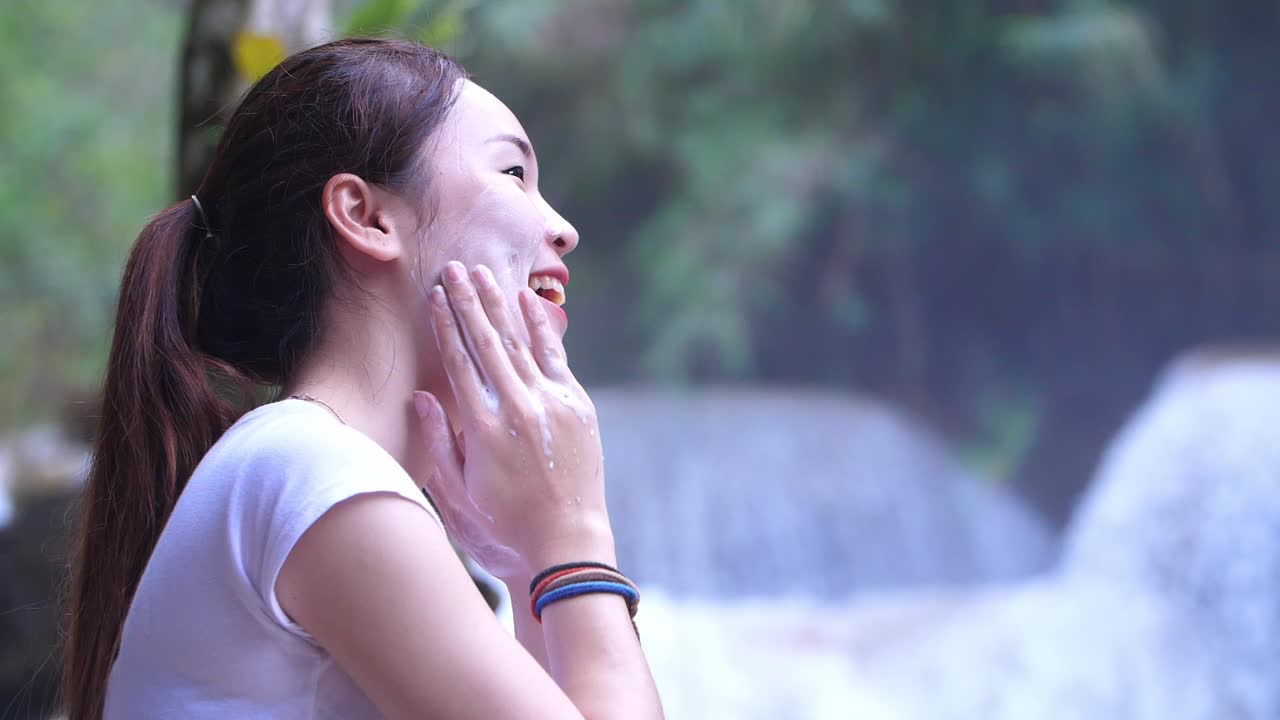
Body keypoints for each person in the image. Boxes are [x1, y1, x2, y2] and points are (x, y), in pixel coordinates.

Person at [62, 38, 664, 720]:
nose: (564, 230)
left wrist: (528, 562)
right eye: (512, 173)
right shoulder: (313, 472)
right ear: (367, 216)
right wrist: (577, 533)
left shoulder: (305, 467)